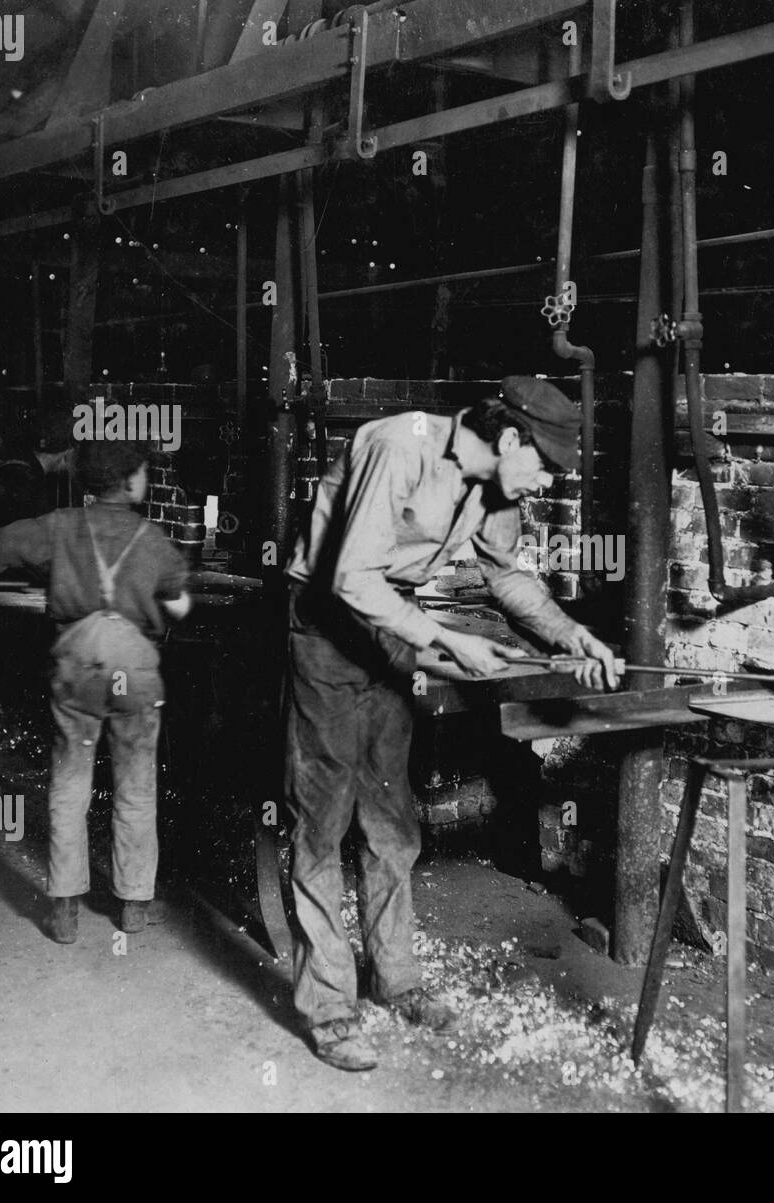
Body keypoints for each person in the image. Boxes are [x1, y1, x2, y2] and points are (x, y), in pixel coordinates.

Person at [285, 375, 618, 1071]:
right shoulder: (398, 446)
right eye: (544, 467)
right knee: (322, 816)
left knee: (390, 816)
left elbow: (508, 580)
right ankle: (330, 1006)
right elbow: (349, 579)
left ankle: (396, 977)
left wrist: (570, 636)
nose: (544, 485)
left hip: (391, 623)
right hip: (324, 621)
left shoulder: (497, 491)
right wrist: (447, 639)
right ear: (507, 439)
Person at [0, 441, 192, 943]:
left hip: (77, 668)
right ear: (132, 480)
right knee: (136, 785)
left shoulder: (59, 526)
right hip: (133, 673)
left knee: (70, 784)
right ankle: (134, 903)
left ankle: (66, 907)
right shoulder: (153, 538)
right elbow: (177, 602)